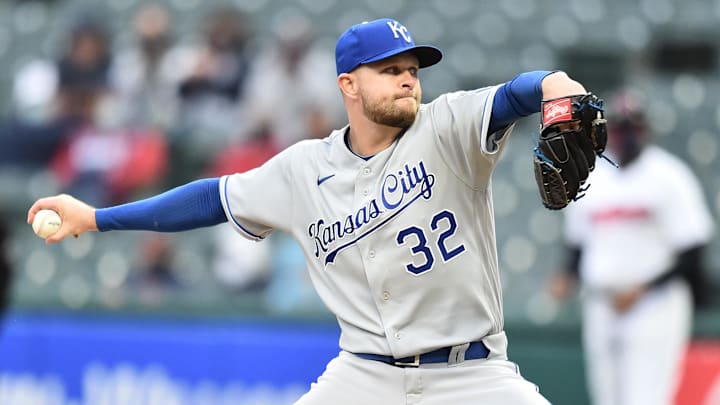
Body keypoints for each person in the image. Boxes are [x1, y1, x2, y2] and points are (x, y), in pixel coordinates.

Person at [28, 18, 597, 404]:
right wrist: (98, 217)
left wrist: (554, 85)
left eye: (412, 69)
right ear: (349, 84)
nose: (407, 78)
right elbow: (210, 198)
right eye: (390, 69)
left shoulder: (447, 126)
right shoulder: (302, 169)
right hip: (364, 374)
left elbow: (518, 93)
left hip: (473, 376)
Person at [550, 91, 715, 405]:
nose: (626, 136)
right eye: (620, 128)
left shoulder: (668, 175)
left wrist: (644, 288)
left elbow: (692, 252)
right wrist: (565, 275)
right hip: (601, 301)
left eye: (631, 128)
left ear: (644, 131)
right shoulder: (593, 176)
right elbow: (578, 243)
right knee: (606, 397)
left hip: (654, 303)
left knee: (646, 397)